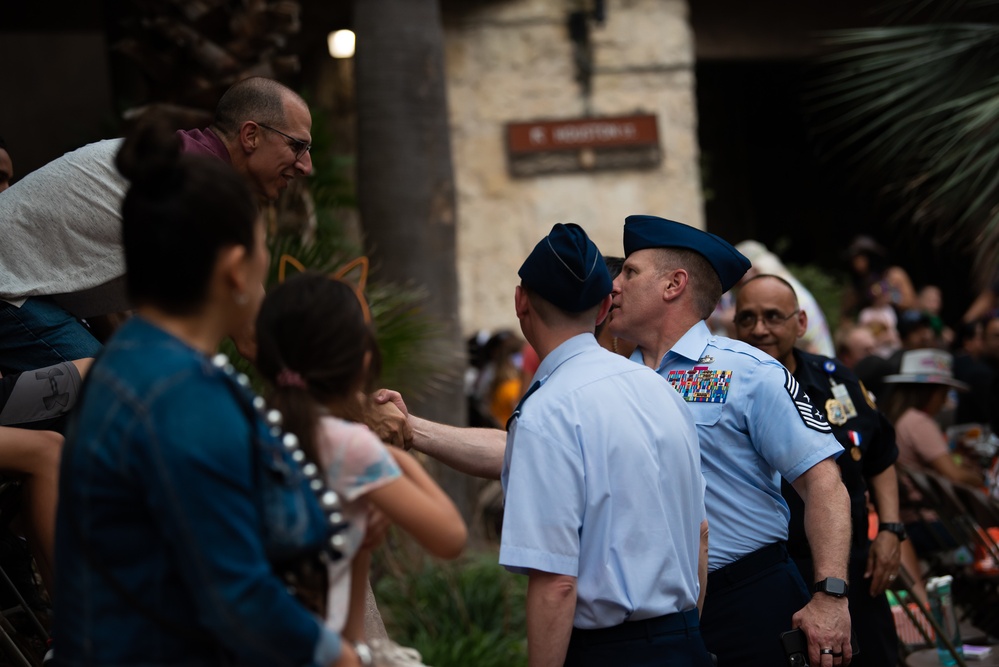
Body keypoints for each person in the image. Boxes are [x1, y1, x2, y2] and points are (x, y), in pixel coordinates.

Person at [52, 119, 359, 666]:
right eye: (263, 250)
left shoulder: (130, 362)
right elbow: (240, 600)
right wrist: (346, 660)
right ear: (237, 271)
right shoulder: (181, 398)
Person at [608, 215, 851, 667]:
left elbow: (824, 483)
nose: (614, 286)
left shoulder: (748, 371)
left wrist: (831, 596)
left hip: (749, 600)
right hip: (656, 613)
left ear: (673, 284)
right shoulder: (615, 381)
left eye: (629, 272)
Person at [0, 76, 314, 374]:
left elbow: (99, 290)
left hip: (24, 288)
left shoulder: (183, 164)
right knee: (122, 399)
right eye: (297, 146)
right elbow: (254, 336)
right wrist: (346, 405)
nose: (306, 167)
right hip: (9, 288)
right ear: (251, 135)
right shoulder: (200, 187)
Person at [501, 223, 711, 666]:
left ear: (521, 302)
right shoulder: (661, 390)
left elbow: (556, 581)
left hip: (610, 651)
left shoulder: (547, 411)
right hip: (686, 638)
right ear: (603, 308)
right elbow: (701, 536)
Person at [254, 271, 466, 642]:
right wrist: (393, 457)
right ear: (363, 361)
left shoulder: (247, 433)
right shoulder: (348, 447)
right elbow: (449, 536)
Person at [734, 274, 902, 667]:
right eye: (747, 318)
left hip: (852, 564)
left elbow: (880, 456)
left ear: (801, 323)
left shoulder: (835, 379)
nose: (759, 329)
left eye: (773, 317)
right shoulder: (725, 388)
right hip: (773, 569)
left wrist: (892, 529)